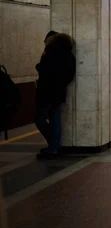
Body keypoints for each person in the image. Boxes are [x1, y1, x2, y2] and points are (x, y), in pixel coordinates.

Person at [34, 31, 76, 159]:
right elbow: (70, 75)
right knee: (55, 119)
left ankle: (53, 145)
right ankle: (54, 147)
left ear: (51, 40)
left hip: (46, 91)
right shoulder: (69, 53)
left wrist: (39, 65)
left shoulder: (51, 52)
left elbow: (44, 69)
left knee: (39, 119)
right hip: (59, 92)